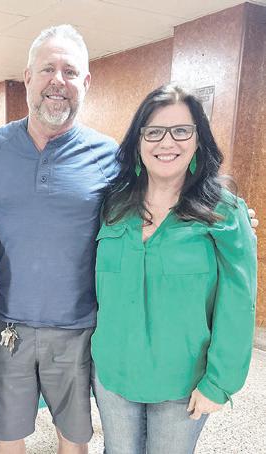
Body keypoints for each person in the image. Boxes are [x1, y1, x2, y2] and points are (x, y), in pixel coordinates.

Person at [0, 26, 259, 454]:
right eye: (47, 69)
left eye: (69, 71)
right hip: (9, 325)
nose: (57, 81)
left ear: (86, 82)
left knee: (74, 439)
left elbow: (163, 184)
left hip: (79, 329)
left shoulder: (109, 157)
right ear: (28, 77)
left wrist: (226, 209)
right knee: (6, 437)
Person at [92, 84, 257, 454]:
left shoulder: (225, 212)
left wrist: (219, 382)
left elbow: (238, 302)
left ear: (198, 140)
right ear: (138, 141)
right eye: (153, 132)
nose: (167, 142)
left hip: (183, 380)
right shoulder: (112, 206)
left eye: (181, 130)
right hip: (113, 372)